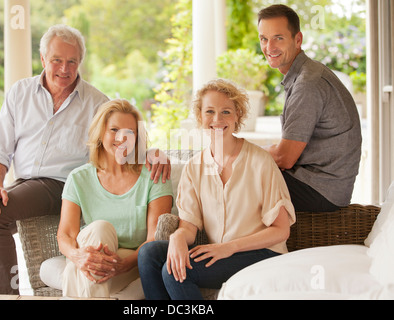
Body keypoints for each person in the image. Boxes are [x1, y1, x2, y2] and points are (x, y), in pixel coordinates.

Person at [0, 25, 168, 295]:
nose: (64, 68)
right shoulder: (19, 93)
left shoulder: (96, 102)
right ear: (42, 59)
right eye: (57, 60)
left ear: (80, 63)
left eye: (72, 61)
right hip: (21, 186)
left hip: (61, 186)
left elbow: (122, 137)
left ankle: (3, 296)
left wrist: (154, 153)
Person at [137, 79, 295, 300]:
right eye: (210, 111)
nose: (217, 119)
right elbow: (189, 227)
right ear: (200, 116)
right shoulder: (195, 167)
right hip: (220, 255)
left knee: (173, 273)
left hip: (261, 254)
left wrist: (229, 247)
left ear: (237, 115)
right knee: (148, 254)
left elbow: (281, 230)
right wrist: (177, 238)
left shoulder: (260, 161)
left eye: (226, 112)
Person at [57, 99, 173, 298]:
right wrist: (78, 257)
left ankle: (80, 271)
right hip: (87, 253)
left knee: (72, 274)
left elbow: (154, 238)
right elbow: (66, 235)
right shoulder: (78, 178)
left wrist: (122, 265)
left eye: (130, 132)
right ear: (101, 133)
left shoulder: (153, 175)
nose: (122, 138)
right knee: (100, 229)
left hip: (132, 260)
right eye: (114, 130)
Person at [258, 4, 362, 212]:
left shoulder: (308, 83)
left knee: (239, 179)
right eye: (264, 39)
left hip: (321, 189)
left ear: (298, 40)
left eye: (278, 38)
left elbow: (284, 158)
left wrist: (239, 154)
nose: (269, 47)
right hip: (319, 182)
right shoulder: (304, 74)